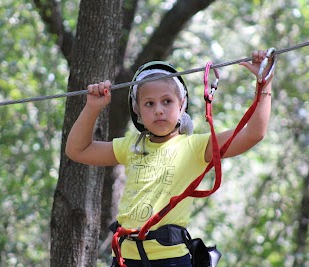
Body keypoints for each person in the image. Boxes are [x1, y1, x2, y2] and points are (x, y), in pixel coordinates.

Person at [66, 50, 274, 267]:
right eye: (149, 104)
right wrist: (92, 108)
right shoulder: (131, 145)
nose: (159, 110)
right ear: (137, 111)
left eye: (167, 101)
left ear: (181, 104)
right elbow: (77, 150)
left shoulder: (194, 147)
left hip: (171, 260)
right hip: (125, 259)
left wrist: (265, 84)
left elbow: (253, 133)